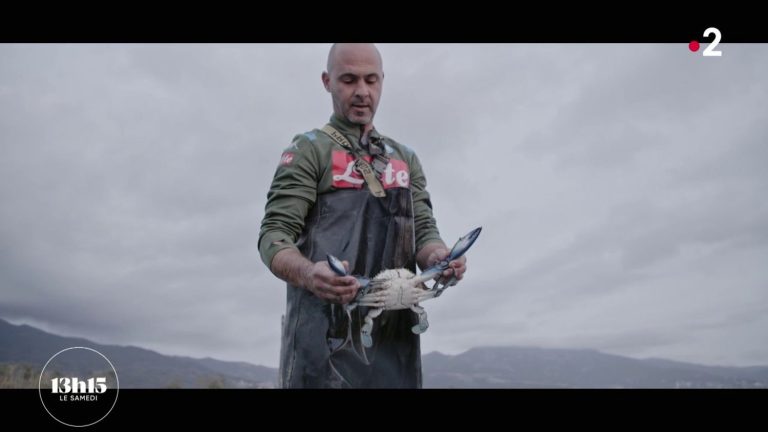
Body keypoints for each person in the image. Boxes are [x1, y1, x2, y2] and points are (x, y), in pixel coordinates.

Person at [259, 43, 467, 388]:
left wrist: (440, 257)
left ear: (382, 81)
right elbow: (273, 236)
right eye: (349, 80)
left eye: (371, 80)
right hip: (320, 346)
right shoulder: (309, 150)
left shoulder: (405, 158)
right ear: (327, 81)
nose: (362, 92)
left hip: (396, 347)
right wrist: (310, 273)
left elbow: (424, 231)